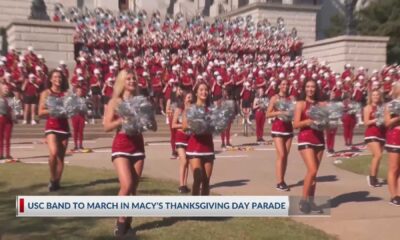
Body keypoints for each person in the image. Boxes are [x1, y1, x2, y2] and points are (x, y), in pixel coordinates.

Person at [103, 69, 145, 236]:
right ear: (122, 81)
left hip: (138, 145)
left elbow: (152, 126)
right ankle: (120, 225)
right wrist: (121, 120)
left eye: (134, 78)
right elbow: (106, 126)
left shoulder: (141, 102)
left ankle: (128, 223)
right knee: (126, 185)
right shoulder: (115, 101)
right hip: (121, 144)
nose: (132, 81)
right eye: (128, 78)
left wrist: (147, 121)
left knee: (133, 188)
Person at [293, 79, 325, 213]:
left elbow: (326, 122)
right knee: (311, 170)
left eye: (313, 87)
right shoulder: (300, 104)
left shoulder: (321, 104)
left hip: (319, 139)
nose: (310, 89)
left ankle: (311, 202)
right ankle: (303, 200)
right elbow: (295, 125)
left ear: (316, 89)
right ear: (304, 89)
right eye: (308, 87)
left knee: (314, 174)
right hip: (306, 138)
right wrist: (309, 121)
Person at [38, 69, 70, 192]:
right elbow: (40, 112)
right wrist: (55, 109)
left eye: (60, 77)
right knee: (53, 153)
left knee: (61, 158)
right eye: (55, 77)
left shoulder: (66, 94)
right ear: (51, 79)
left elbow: (70, 110)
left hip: (64, 127)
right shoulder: (46, 93)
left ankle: (57, 181)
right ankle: (52, 179)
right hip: (51, 126)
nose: (58, 79)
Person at [182, 82, 215, 195]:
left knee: (206, 181)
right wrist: (197, 125)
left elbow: (215, 126)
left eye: (206, 90)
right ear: (196, 92)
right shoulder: (190, 108)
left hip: (208, 147)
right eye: (201, 90)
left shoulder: (211, 109)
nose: (204, 92)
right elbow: (184, 126)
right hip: (194, 148)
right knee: (198, 179)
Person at [266, 79, 293, 191]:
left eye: (286, 84)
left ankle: (282, 180)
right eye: (283, 84)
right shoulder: (275, 98)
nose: (285, 86)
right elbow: (268, 114)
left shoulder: (291, 98)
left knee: (285, 156)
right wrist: (280, 113)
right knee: (281, 155)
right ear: (279, 86)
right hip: (278, 128)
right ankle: (279, 182)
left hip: (288, 129)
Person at [172, 91, 193, 193]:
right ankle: (181, 185)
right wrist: (184, 125)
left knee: (187, 162)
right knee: (183, 160)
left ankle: (184, 185)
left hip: (189, 138)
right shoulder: (179, 110)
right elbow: (173, 125)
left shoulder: (193, 110)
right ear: (184, 99)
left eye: (191, 98)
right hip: (180, 137)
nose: (190, 99)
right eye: (188, 97)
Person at [363, 90, 385, 187]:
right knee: (378, 155)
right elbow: (366, 122)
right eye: (374, 95)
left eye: (377, 95)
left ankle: (373, 177)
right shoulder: (368, 107)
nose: (376, 96)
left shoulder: (383, 107)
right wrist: (377, 119)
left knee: (377, 157)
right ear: (371, 97)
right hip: (371, 134)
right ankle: (372, 179)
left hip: (382, 134)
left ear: (380, 96)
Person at [384, 82, 400, 206]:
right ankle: (393, 195)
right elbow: (387, 123)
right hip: (394, 137)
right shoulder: (391, 105)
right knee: (394, 168)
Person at [0, 82, 15, 161]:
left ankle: (7, 154)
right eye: (5, 88)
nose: (6, 89)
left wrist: (14, 117)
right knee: (0, 137)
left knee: (8, 137)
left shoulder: (10, 99)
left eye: (7, 88)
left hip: (9, 119)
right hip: (1, 118)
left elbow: (14, 109)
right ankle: (0, 154)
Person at [70, 85, 88, 152]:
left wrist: (86, 115)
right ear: (76, 92)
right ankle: (75, 145)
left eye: (81, 91)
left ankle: (80, 145)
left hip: (81, 116)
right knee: (75, 131)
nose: (80, 92)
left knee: (81, 131)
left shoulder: (83, 99)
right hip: (75, 116)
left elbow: (85, 108)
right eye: (79, 91)